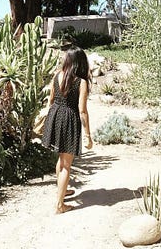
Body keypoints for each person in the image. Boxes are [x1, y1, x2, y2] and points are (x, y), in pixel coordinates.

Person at [41, 46, 93, 214]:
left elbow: (51, 99)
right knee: (66, 165)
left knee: (61, 159)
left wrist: (53, 117)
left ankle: (62, 191)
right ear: (80, 63)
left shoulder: (57, 75)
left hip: (55, 115)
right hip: (69, 119)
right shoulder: (81, 82)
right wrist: (88, 135)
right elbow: (82, 110)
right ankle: (60, 205)